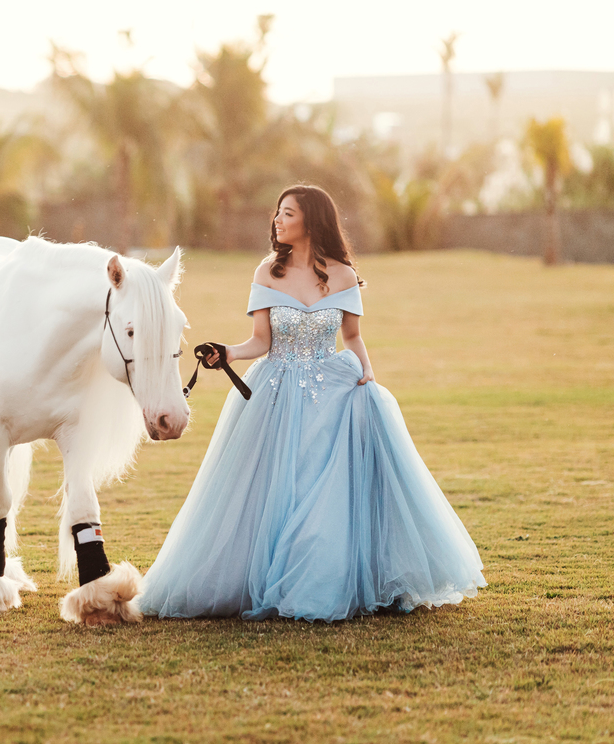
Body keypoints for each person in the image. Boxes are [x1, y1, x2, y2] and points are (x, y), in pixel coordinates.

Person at [140, 185, 486, 621]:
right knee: (273, 488)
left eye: (287, 214)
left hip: (332, 392)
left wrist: (368, 375)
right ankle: (268, 577)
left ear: (312, 221)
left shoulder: (341, 275)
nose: (277, 221)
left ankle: (326, 578)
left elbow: (353, 337)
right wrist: (225, 353)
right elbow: (260, 342)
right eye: (278, 213)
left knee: (324, 488)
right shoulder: (267, 272)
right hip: (276, 393)